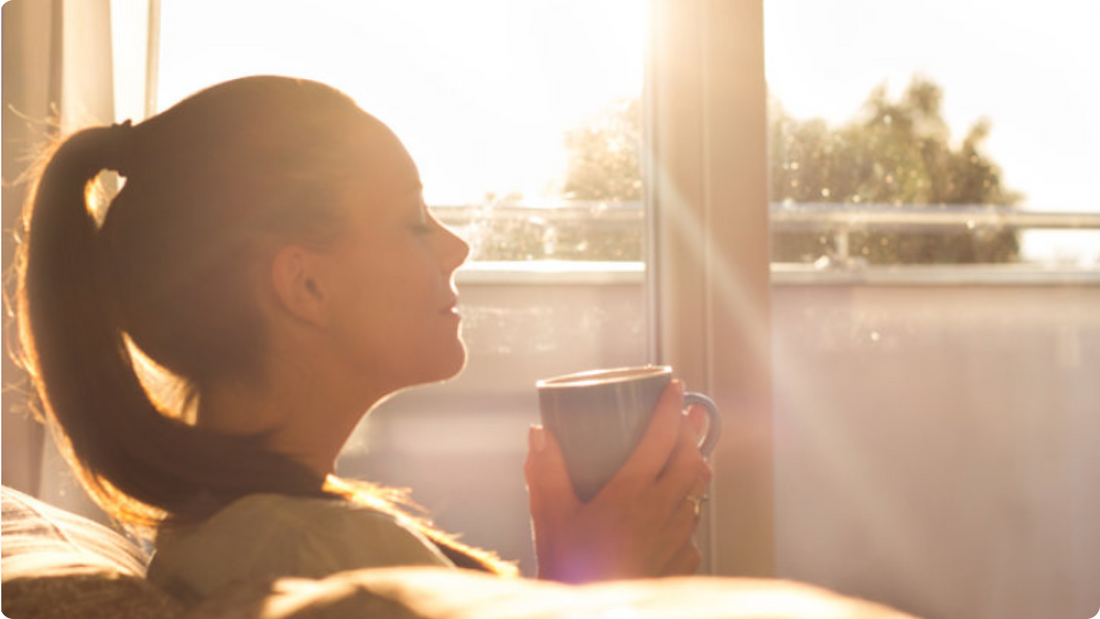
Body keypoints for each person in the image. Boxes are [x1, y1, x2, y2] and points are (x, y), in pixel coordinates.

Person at [14, 75, 713, 603]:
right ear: (305, 286)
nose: (457, 246)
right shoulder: (326, 557)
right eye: (414, 221)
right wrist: (597, 586)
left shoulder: (238, 535)